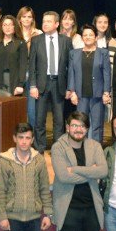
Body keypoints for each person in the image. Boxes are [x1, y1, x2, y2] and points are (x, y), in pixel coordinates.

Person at [51, 112, 107, 231]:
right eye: (74, 125)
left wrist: (75, 169)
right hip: (69, 209)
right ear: (67, 127)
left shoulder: (95, 146)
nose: (78, 129)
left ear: (87, 129)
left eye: (82, 126)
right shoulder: (58, 147)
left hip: (91, 208)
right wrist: (90, 171)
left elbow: (103, 171)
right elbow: (63, 176)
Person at [0, 123, 52, 231]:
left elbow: (44, 188)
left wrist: (48, 214)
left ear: (32, 140)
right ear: (15, 138)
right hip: (12, 218)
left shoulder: (39, 161)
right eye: (21, 138)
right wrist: (2, 216)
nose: (24, 142)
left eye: (28, 138)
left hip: (34, 218)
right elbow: (0, 191)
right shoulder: (4, 161)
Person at [29, 11, 72, 153]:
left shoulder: (66, 41)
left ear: (57, 24)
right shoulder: (36, 40)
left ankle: (57, 149)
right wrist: (33, 85)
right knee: (39, 119)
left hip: (59, 84)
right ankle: (40, 148)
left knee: (59, 120)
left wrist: (69, 87)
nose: (45, 23)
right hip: (42, 83)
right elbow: (32, 65)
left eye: (49, 21)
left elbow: (70, 66)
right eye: (44, 21)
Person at [67, 24, 111, 144]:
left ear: (96, 37)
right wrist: (72, 92)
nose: (88, 37)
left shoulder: (103, 53)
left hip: (97, 95)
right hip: (80, 96)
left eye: (91, 34)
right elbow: (71, 74)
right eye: (85, 35)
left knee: (97, 125)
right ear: (81, 37)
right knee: (81, 125)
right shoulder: (74, 53)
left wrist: (106, 92)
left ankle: (96, 152)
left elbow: (107, 74)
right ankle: (81, 150)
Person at [17, 6, 42, 125]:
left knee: (32, 110)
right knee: (17, 108)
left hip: (33, 75)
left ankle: (32, 138)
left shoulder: (39, 33)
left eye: (29, 17)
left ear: (33, 19)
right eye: (24, 17)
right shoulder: (14, 33)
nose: (27, 19)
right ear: (19, 19)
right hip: (17, 75)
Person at [0, 15, 26, 95]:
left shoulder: (20, 43)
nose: (7, 27)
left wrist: (20, 84)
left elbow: (23, 65)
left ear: (14, 26)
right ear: (1, 27)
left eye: (10, 24)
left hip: (13, 80)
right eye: (5, 25)